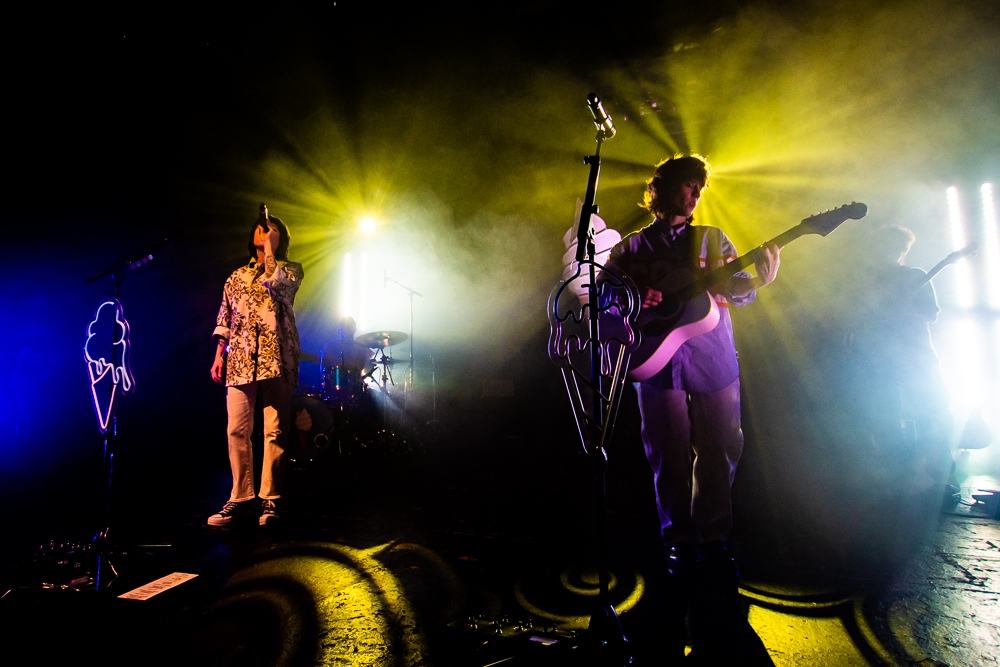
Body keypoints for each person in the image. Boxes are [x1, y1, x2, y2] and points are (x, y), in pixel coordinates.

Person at [603, 154, 781, 585]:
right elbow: (604, 296)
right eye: (689, 184)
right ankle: (679, 542)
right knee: (667, 455)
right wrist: (631, 299)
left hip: (713, 356)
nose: (696, 193)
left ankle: (714, 540)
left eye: (700, 188)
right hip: (654, 361)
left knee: (720, 449)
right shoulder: (630, 247)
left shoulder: (713, 239)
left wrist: (758, 281)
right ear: (660, 187)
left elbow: (737, 291)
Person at [208, 208, 304, 526]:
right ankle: (240, 497)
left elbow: (275, 285)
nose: (265, 232)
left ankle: (271, 500)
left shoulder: (290, 270)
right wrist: (219, 354)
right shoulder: (236, 277)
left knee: (274, 429)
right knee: (236, 429)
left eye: (272, 229)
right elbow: (225, 318)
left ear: (281, 237)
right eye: (261, 229)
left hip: (277, 356)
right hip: (240, 358)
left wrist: (271, 253)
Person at [848, 224, 954, 488]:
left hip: (916, 358)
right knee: (885, 418)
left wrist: (902, 311)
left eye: (898, 247)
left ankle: (941, 470)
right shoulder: (867, 280)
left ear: (903, 251)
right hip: (878, 359)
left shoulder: (916, 276)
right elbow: (857, 315)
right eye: (885, 246)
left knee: (937, 410)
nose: (890, 252)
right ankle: (901, 469)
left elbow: (930, 313)